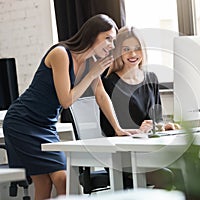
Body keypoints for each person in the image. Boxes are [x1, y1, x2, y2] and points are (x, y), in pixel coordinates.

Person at [3, 14, 131, 200]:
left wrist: (117, 129)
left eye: (113, 41)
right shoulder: (61, 54)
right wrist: (92, 74)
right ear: (92, 35)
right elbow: (66, 101)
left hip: (45, 125)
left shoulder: (89, 62)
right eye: (108, 38)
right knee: (62, 179)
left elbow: (101, 96)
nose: (111, 45)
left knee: (46, 184)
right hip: (22, 122)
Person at [100, 26, 177, 189]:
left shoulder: (151, 77)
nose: (133, 54)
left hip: (150, 152)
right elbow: (109, 129)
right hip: (124, 157)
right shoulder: (109, 83)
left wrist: (162, 126)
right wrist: (137, 130)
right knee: (170, 176)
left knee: (187, 169)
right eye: (126, 49)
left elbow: (157, 118)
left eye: (137, 49)